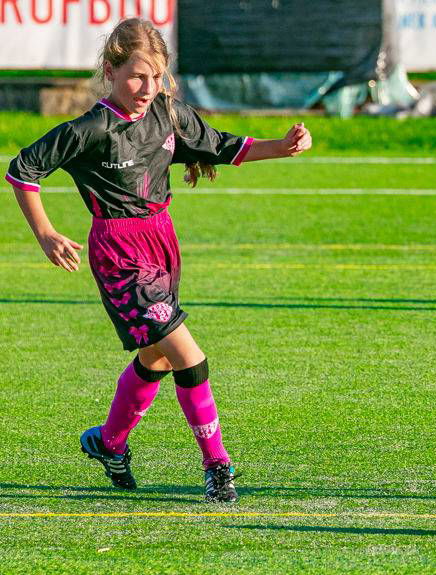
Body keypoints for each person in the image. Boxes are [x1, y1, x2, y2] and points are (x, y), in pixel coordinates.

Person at [5, 18, 312, 503]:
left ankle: (109, 443)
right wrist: (45, 233)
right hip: (119, 253)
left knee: (158, 358)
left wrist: (282, 147)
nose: (147, 88)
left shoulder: (168, 113)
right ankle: (218, 467)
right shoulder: (92, 128)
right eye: (135, 76)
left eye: (156, 77)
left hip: (162, 242)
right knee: (189, 355)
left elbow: (221, 145)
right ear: (110, 71)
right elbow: (22, 170)